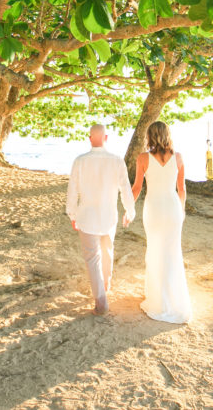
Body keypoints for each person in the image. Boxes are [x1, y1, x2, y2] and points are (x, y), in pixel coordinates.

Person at [66, 124, 135, 316]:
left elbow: (72, 190)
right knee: (107, 252)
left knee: (92, 259)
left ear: (90, 138)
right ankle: (106, 285)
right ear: (106, 137)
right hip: (108, 216)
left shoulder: (80, 161)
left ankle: (101, 302)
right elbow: (125, 189)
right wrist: (130, 211)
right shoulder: (116, 161)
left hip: (87, 217)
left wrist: (72, 213)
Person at [131, 121, 192, 324]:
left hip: (154, 208)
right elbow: (181, 189)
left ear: (150, 136)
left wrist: (128, 207)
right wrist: (181, 210)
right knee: (172, 252)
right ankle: (173, 299)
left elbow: (137, 188)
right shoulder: (179, 157)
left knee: (155, 250)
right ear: (167, 135)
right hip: (173, 208)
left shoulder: (143, 158)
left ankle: (157, 298)